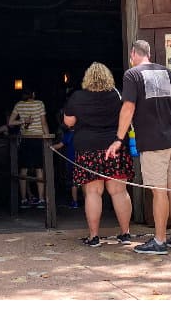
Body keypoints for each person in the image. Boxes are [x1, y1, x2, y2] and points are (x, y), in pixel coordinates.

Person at [105, 40, 171, 255]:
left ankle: (159, 241)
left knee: (159, 191)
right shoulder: (165, 72)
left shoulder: (132, 75)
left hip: (152, 141)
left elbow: (128, 107)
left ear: (133, 53)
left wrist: (118, 139)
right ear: (149, 53)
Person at [63, 62, 134, 246]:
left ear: (87, 78)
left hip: (88, 148)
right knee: (119, 191)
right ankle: (125, 234)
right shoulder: (116, 94)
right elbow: (127, 115)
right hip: (114, 147)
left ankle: (94, 237)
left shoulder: (77, 97)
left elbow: (69, 122)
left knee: (93, 192)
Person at [10, 89, 49, 209]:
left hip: (25, 139)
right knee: (39, 168)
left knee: (23, 169)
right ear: (33, 93)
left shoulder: (19, 105)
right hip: (37, 139)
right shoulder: (40, 104)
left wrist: (23, 121)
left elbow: (10, 122)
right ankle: (41, 200)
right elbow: (44, 123)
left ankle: (23, 200)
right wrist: (47, 139)